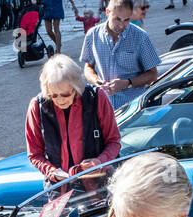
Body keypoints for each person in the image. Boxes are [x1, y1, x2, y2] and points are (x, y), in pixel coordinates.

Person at [25, 54, 121, 187]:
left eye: (65, 94)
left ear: (76, 87)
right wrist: (52, 172)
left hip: (100, 185)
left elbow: (114, 141)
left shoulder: (97, 98)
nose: (60, 100)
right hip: (59, 188)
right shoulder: (37, 106)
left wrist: (100, 161)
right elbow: (34, 154)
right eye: (53, 95)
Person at [81, 0, 161, 108]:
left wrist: (128, 83)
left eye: (126, 20)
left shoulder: (141, 37)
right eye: (117, 19)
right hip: (104, 106)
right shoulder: (92, 35)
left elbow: (153, 74)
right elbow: (88, 67)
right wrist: (97, 81)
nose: (122, 25)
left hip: (134, 107)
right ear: (108, 12)